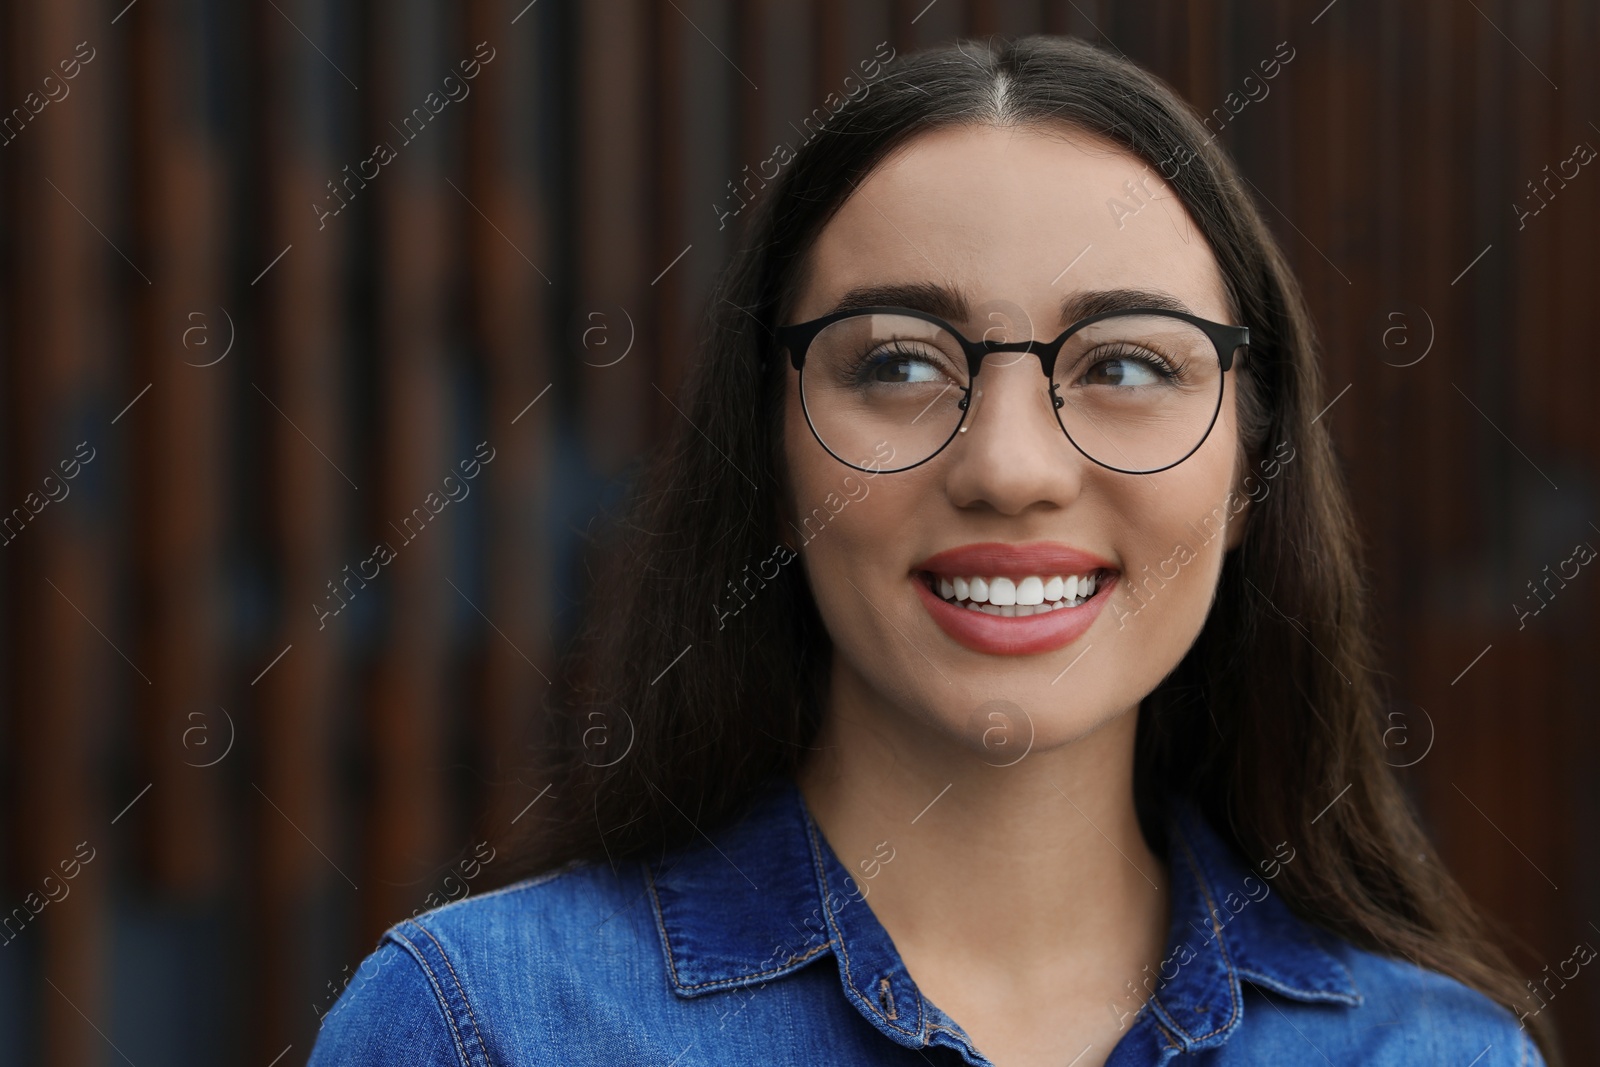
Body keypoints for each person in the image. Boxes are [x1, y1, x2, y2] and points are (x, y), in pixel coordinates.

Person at [308, 34, 1560, 1067]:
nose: (1009, 467)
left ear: (1251, 467)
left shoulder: (1441, 1051)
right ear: (774, 447)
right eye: (898, 361)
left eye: (1126, 363)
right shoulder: (477, 1026)